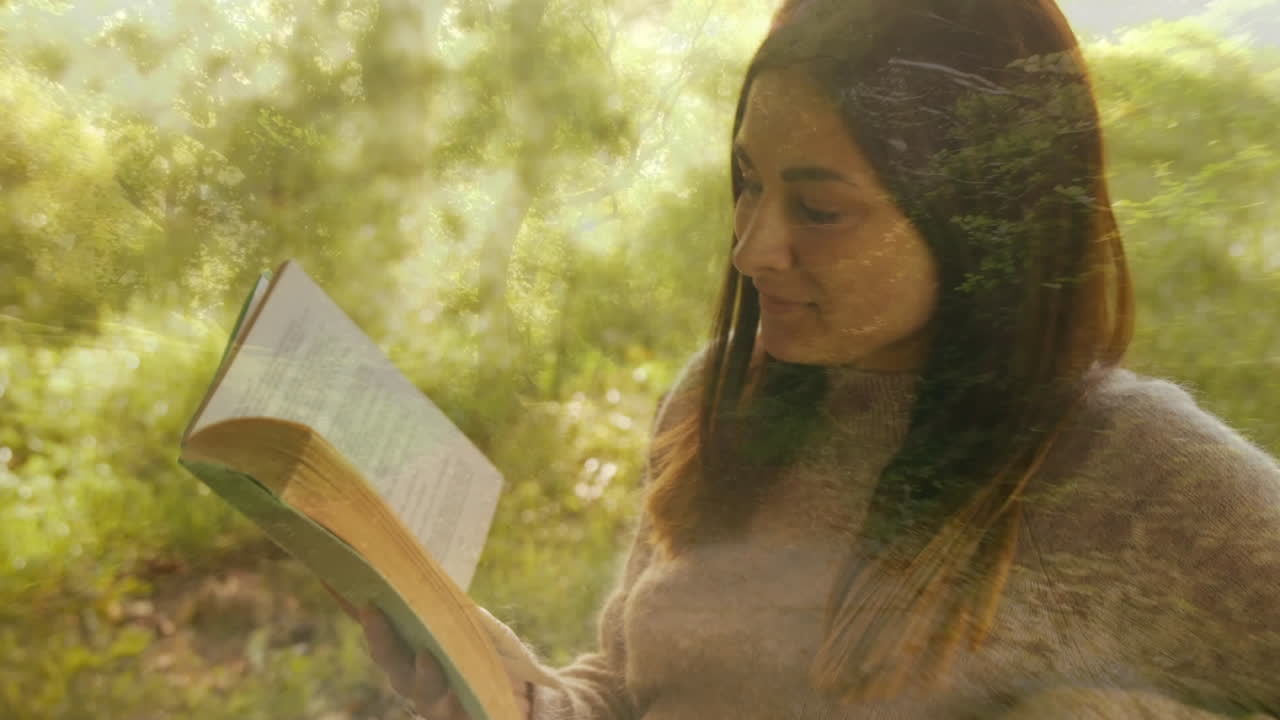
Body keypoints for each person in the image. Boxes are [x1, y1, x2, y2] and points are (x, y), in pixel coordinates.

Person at [341, 0, 1280, 717]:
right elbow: (629, 688)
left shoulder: (1134, 470)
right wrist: (522, 697)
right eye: (748, 182)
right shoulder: (722, 394)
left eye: (820, 210)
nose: (752, 248)